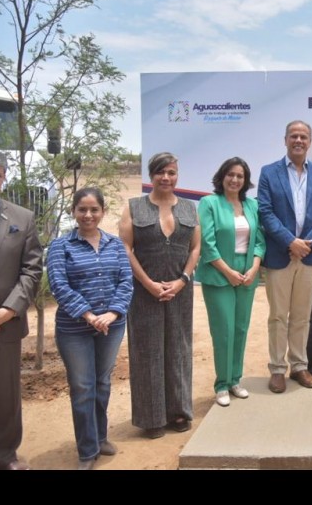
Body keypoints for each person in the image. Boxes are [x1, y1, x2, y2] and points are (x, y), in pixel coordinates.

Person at [47, 187, 133, 470]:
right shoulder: (61, 246)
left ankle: (100, 437)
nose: (88, 215)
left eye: (94, 209)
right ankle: (87, 450)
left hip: (112, 326)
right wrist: (89, 315)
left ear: (102, 212)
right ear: (73, 211)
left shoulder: (115, 245)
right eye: (82, 209)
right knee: (83, 386)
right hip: (74, 329)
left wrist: (111, 313)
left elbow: (126, 282)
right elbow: (59, 285)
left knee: (102, 382)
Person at [118, 152, 201, 438]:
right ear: (151, 175)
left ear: (177, 175)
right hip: (144, 294)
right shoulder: (134, 207)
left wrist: (182, 281)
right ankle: (151, 417)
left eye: (171, 172)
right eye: (160, 172)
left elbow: (195, 248)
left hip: (180, 292)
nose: (166, 177)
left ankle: (178, 412)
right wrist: (148, 283)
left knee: (179, 349)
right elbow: (126, 248)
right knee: (147, 351)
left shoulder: (189, 208)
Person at [257, 120, 312, 394]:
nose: (298, 140)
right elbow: (265, 212)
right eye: (293, 136)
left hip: (311, 256)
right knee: (278, 316)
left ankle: (299, 366)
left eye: (303, 136)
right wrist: (290, 241)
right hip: (280, 255)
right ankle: (278, 369)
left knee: (302, 316)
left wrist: (306, 244)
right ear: (285, 140)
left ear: (310, 141)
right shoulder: (269, 173)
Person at [0, 146, 42, 470]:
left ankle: (1, 458)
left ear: (4, 179)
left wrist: (10, 309)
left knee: (3, 399)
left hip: (4, 324)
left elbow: (31, 270)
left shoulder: (22, 218)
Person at [197, 157, 265, 407]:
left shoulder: (252, 205)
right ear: (222, 177)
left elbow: (260, 241)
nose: (235, 180)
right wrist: (228, 272)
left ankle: (235, 380)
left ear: (245, 181)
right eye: (231, 175)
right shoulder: (209, 203)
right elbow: (207, 243)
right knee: (223, 330)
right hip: (219, 275)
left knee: (240, 329)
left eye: (240, 176)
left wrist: (254, 267)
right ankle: (222, 385)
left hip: (247, 274)